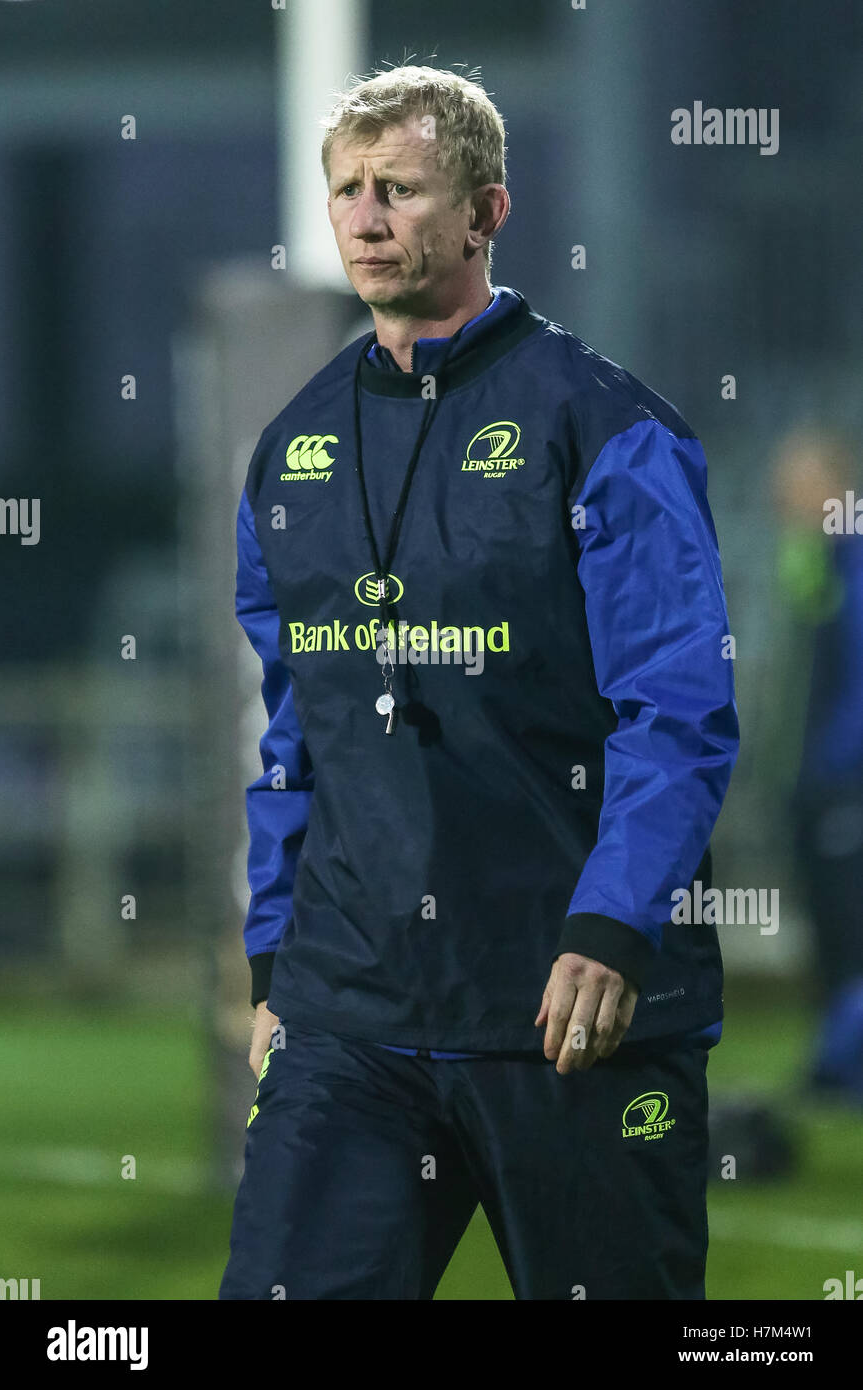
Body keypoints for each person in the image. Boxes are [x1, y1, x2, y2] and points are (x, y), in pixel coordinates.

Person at [219, 64, 739, 1301]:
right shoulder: (289, 448)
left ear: (484, 212)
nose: (363, 215)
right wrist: (271, 962)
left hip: (567, 1012)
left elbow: (676, 704)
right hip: (352, 1012)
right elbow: (297, 732)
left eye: (397, 187)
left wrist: (612, 926)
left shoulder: (604, 425)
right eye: (345, 188)